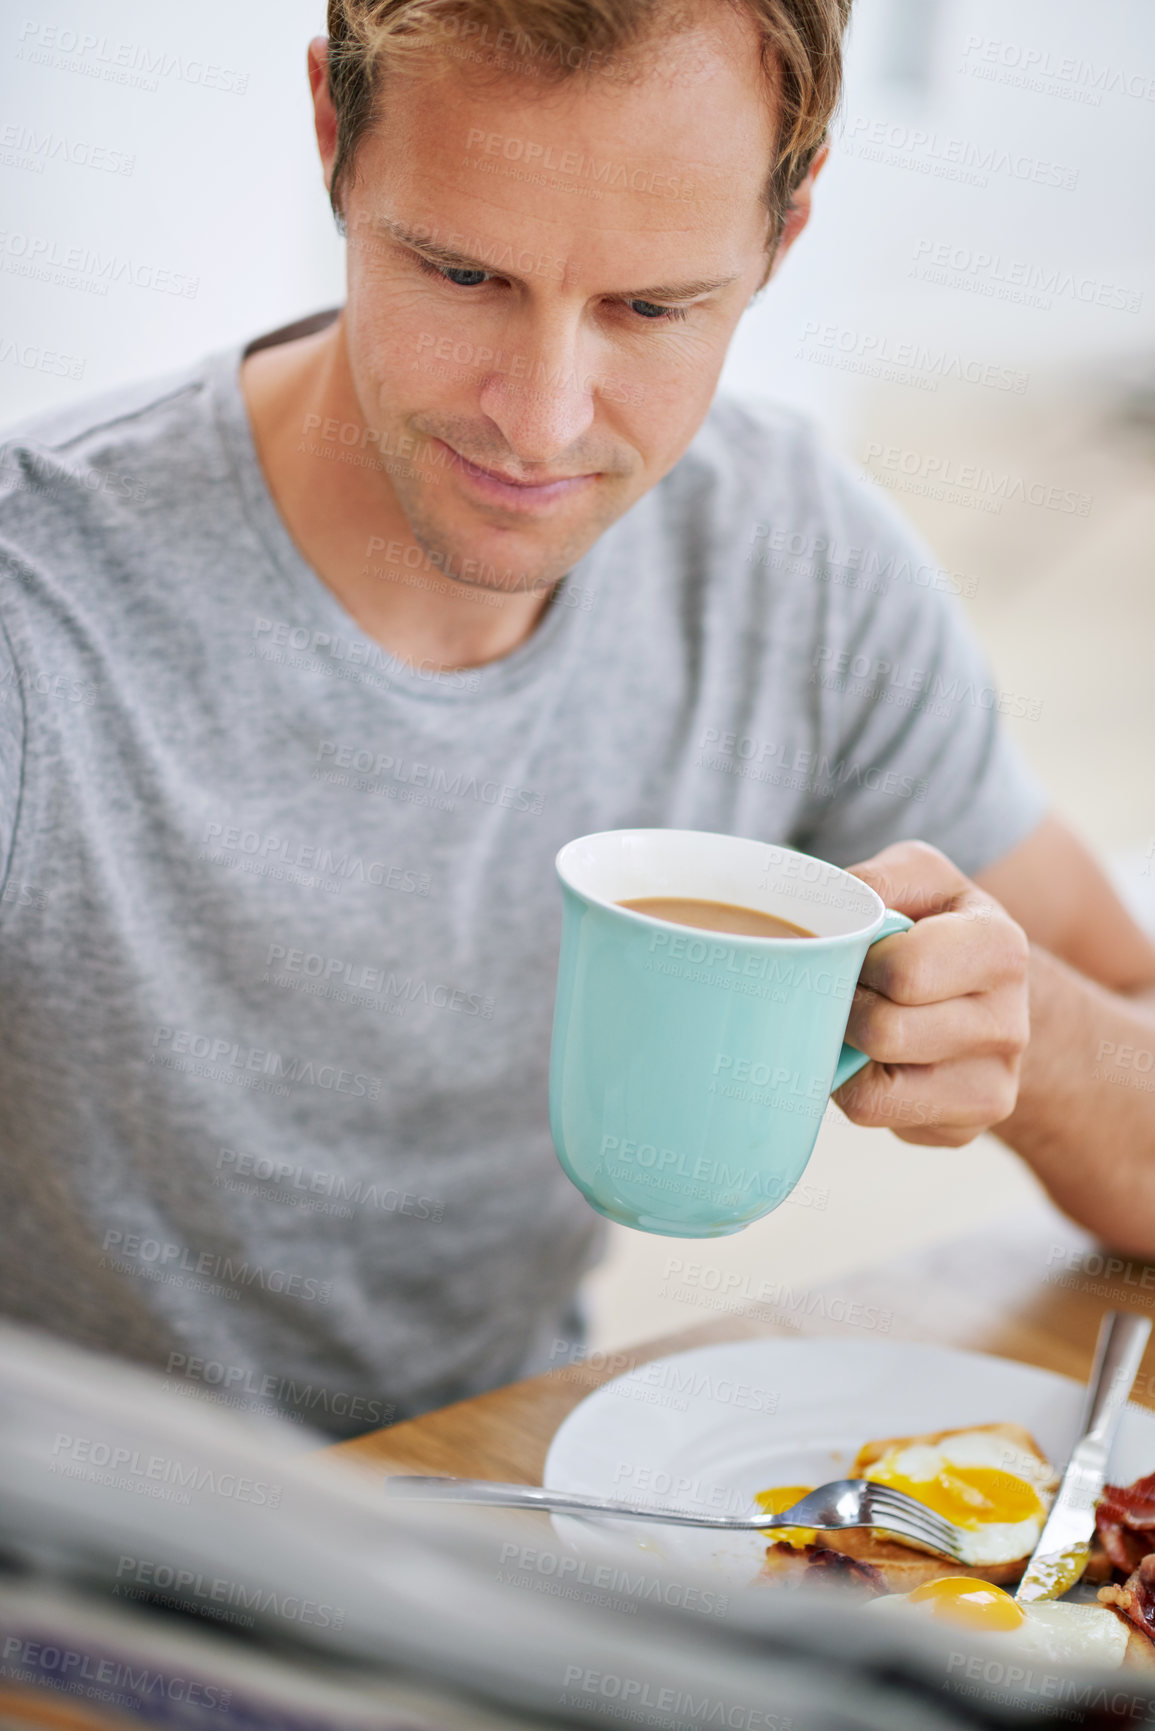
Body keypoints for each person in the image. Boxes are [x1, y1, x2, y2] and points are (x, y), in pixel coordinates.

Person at [0, 0, 1152, 1438]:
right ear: (332, 141)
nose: (540, 421)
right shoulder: (36, 608)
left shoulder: (794, 559)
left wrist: (1027, 1029)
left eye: (651, 308)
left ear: (786, 234)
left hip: (506, 1521)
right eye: (464, 272)